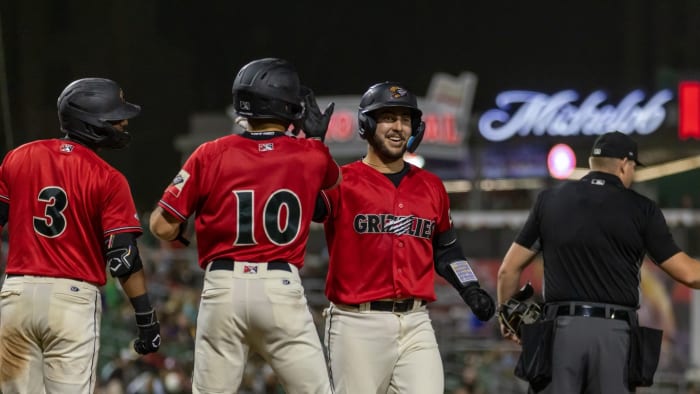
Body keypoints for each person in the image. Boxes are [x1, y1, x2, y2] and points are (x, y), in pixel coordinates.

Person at [149, 57, 340, 394]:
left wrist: (188, 230)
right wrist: (316, 140)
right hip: (280, 287)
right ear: (289, 105)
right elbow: (330, 192)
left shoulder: (210, 153)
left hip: (223, 286)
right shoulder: (311, 155)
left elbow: (161, 226)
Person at [315, 81, 496, 394]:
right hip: (356, 324)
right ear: (366, 123)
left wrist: (471, 288)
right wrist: (311, 153)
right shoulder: (342, 180)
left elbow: (447, 252)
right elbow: (312, 208)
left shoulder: (432, 187)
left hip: (415, 322)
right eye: (388, 117)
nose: (398, 127)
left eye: (405, 118)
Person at [497, 131, 700, 393]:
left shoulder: (549, 201)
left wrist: (505, 315)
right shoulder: (642, 209)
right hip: (614, 335)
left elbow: (507, 270)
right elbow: (690, 274)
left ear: (592, 162)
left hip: (560, 333)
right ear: (625, 165)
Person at [0, 78, 161, 394]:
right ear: (93, 122)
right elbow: (124, 258)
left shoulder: (19, 157)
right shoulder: (109, 178)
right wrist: (146, 318)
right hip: (71, 302)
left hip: (16, 295)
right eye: (115, 117)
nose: (123, 123)